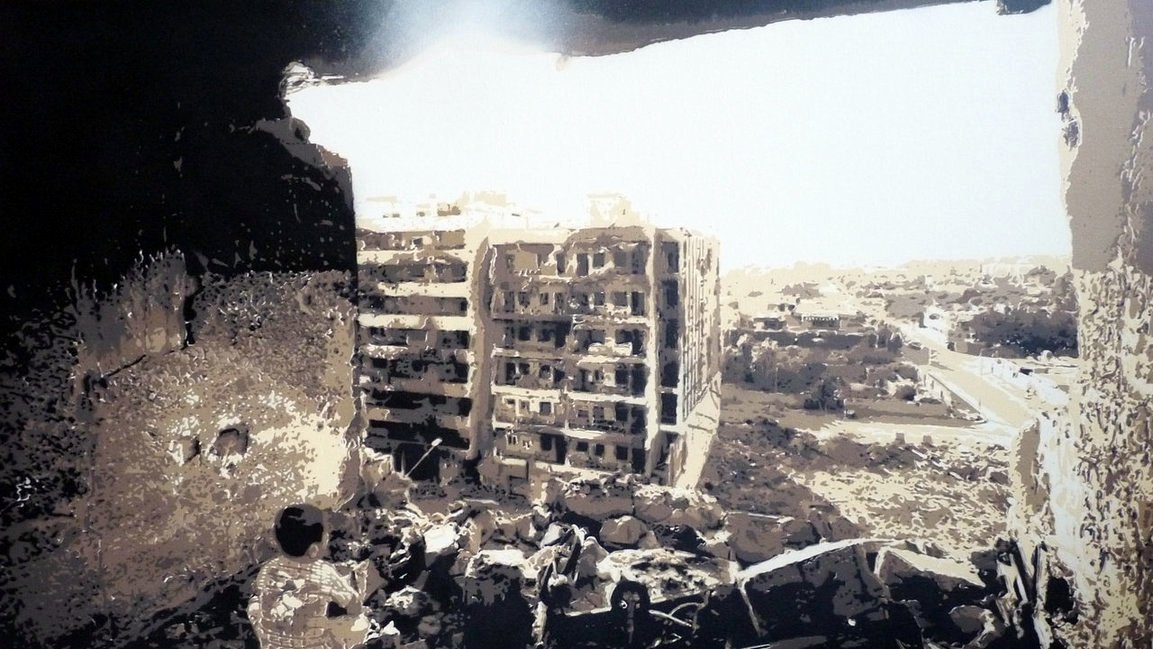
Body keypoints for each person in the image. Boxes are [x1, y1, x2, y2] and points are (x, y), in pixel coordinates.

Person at [248, 504, 371, 649]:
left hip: (272, 645)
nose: (328, 537)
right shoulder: (325, 571)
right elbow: (354, 605)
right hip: (311, 645)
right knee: (360, 623)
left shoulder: (268, 568)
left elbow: (260, 591)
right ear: (313, 550)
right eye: (326, 534)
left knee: (255, 605)